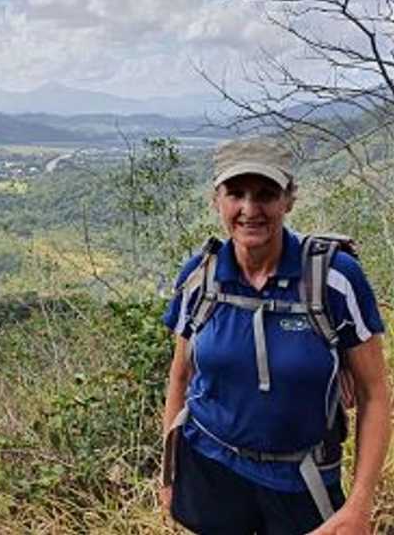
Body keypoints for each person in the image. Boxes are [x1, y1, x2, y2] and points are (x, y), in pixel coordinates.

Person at [159, 138, 391, 534]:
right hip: (210, 468)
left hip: (302, 479)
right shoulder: (200, 277)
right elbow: (181, 375)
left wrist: (359, 505)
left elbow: (374, 393)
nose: (250, 210)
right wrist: (170, 474)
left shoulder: (332, 279)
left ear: (289, 200)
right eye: (236, 194)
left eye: (266, 194)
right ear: (217, 200)